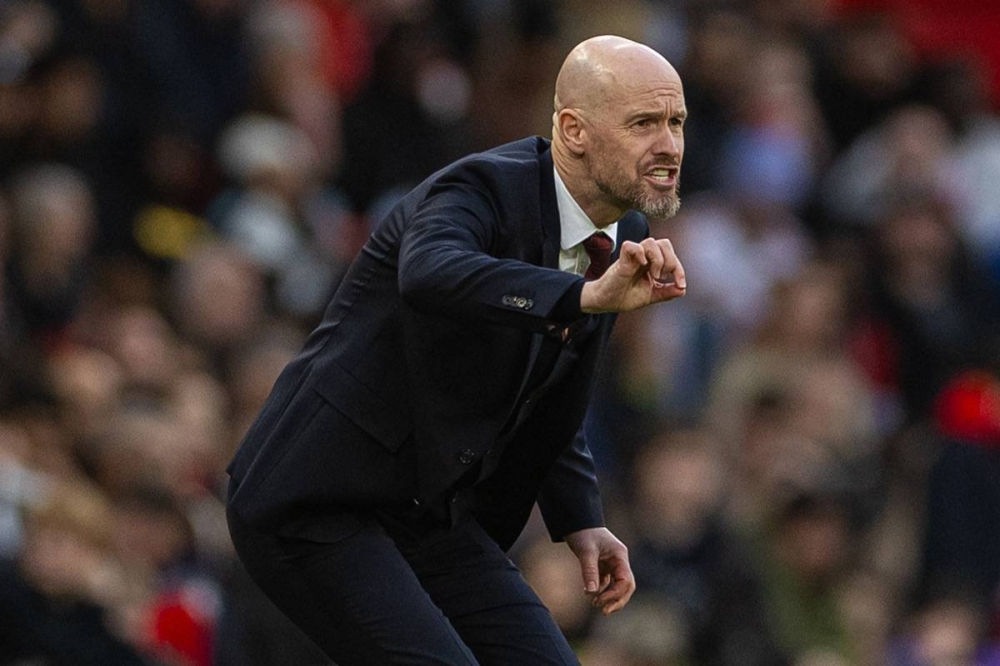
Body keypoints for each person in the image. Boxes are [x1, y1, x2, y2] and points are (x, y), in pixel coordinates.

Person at [225, 35, 688, 665]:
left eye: (676, 123)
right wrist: (578, 296)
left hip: (426, 510)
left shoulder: (623, 228)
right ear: (573, 131)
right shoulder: (481, 187)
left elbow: (552, 392)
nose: (669, 145)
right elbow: (430, 272)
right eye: (644, 123)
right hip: (314, 499)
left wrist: (580, 517)